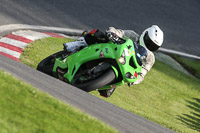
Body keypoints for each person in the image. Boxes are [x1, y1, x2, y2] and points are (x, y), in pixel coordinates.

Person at [64, 25, 164, 97]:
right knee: (98, 35)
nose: (149, 46)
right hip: (112, 52)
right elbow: (117, 31)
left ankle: (90, 79)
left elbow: (143, 73)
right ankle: (75, 44)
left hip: (123, 68)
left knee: (106, 93)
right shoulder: (132, 35)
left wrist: (135, 80)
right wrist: (112, 34)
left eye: (153, 46)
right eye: (149, 42)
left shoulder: (150, 58)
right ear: (145, 35)